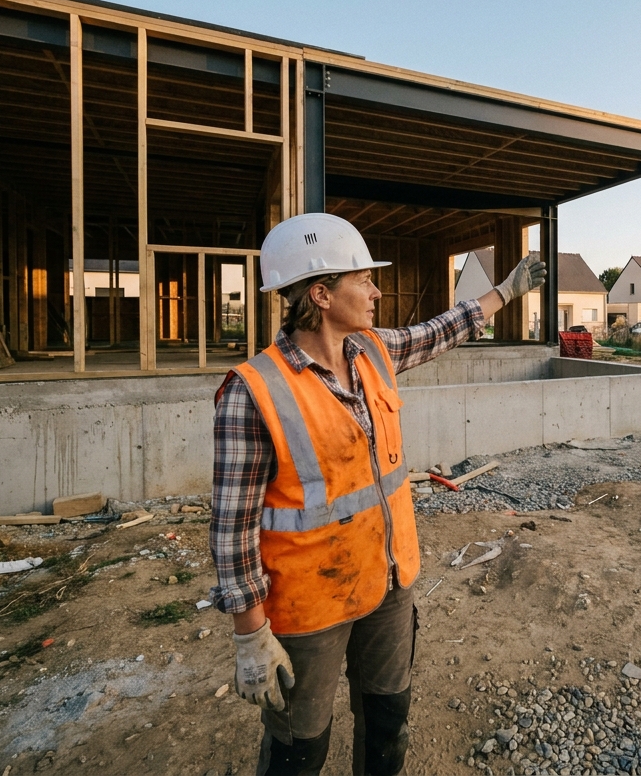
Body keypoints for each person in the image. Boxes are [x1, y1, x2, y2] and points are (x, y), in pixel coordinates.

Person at [209, 212, 545, 776]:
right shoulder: (254, 391)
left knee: (388, 722)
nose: (376, 290)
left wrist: (504, 294)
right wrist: (251, 635)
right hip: (310, 608)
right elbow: (231, 530)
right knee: (300, 749)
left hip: (389, 582)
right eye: (362, 279)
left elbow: (437, 332)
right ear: (320, 294)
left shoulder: (372, 350)